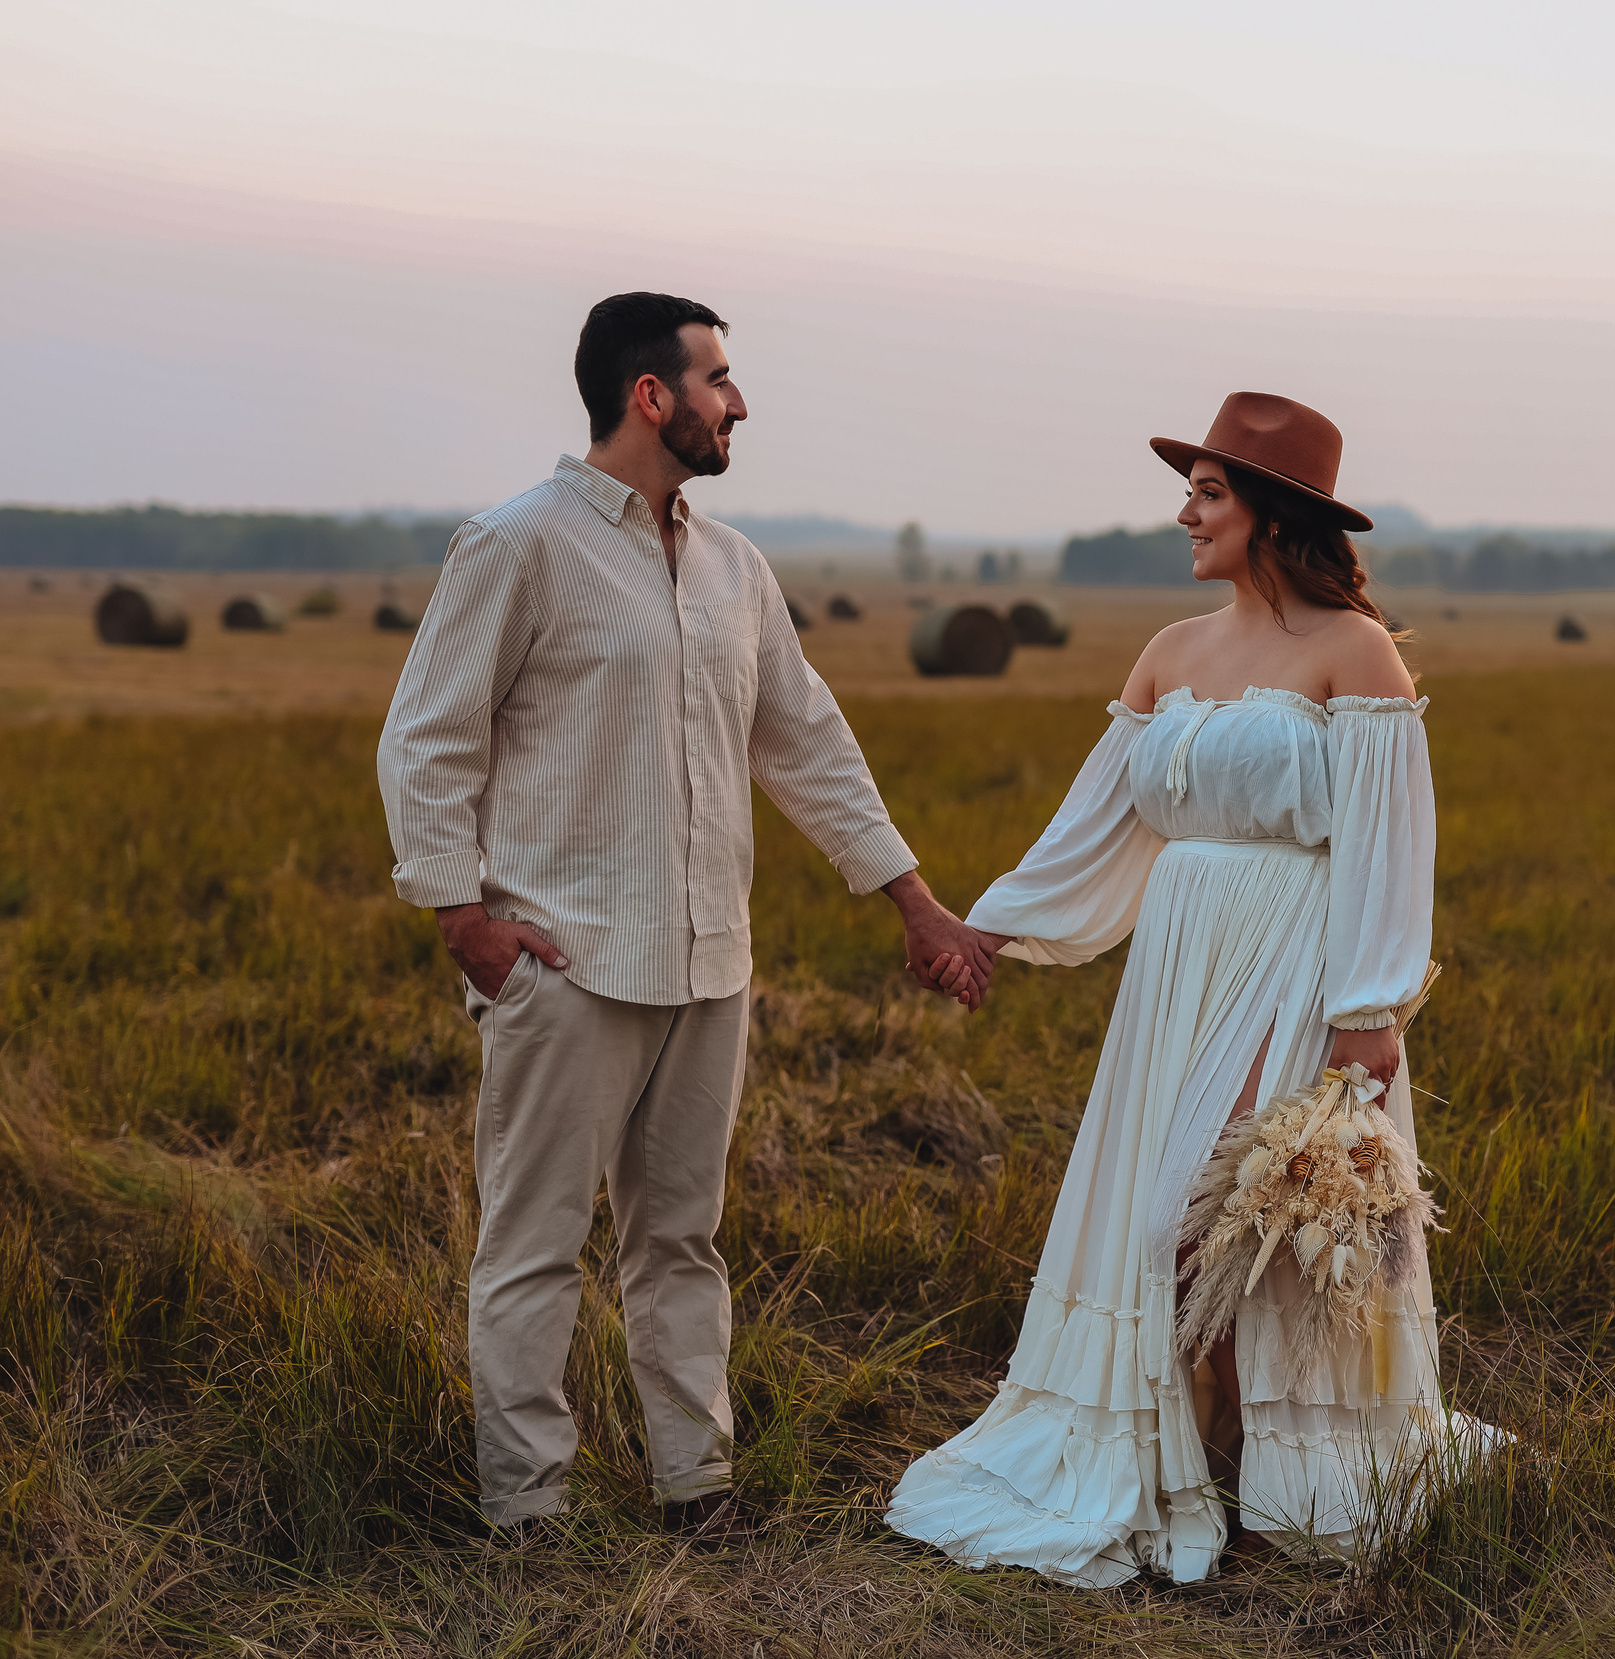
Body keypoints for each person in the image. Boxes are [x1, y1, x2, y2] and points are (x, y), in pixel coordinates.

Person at [376, 292, 989, 1540]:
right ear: (650, 396)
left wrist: (918, 907)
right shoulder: (518, 544)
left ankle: (695, 1490)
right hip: (566, 962)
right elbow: (426, 738)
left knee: (682, 1244)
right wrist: (465, 921)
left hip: (713, 965)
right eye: (717, 379)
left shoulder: (734, 567)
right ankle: (525, 1512)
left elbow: (809, 744)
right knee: (535, 1247)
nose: (739, 402)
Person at [888, 391, 1493, 1585]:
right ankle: (1198, 1456)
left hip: (1296, 959)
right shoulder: (1169, 650)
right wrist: (985, 929)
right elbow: (1095, 824)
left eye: (1208, 493)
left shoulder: (1351, 651)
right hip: (1178, 965)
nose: (1185, 514)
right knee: (1167, 1225)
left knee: (1248, 1216)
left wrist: (1368, 1011)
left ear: (1272, 514)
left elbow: (1386, 841)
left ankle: (1299, 1475)